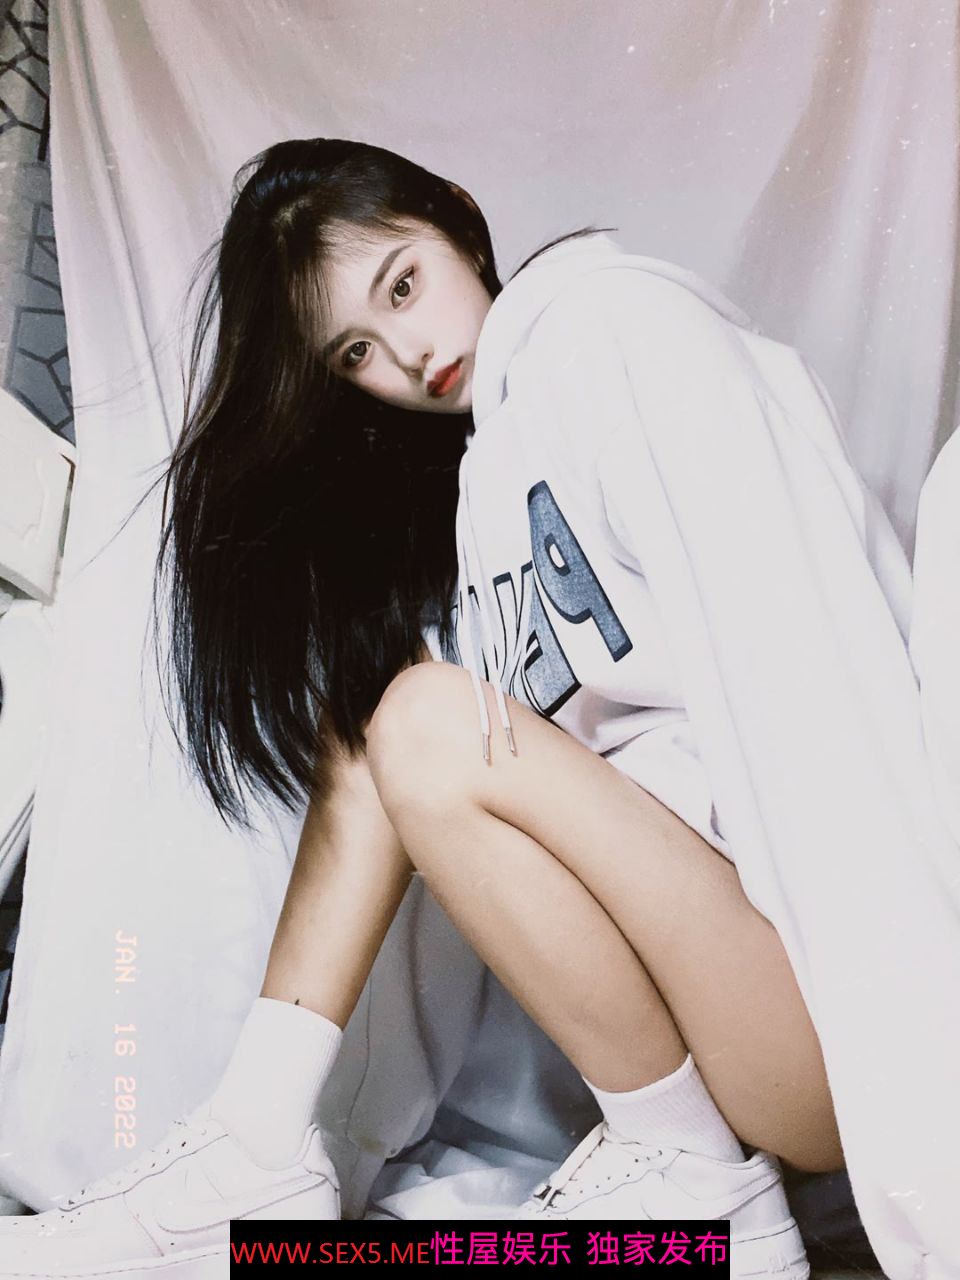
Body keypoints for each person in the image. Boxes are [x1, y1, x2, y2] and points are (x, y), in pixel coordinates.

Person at [1, 136, 955, 1280]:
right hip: (737, 1009)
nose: (407, 353)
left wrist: (921, 1100)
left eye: (403, 283)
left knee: (420, 718)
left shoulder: (619, 332)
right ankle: (252, 1146)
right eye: (356, 350)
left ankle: (687, 1168)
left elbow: (807, 684)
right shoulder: (488, 483)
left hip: (827, 1015)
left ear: (457, 215)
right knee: (378, 722)